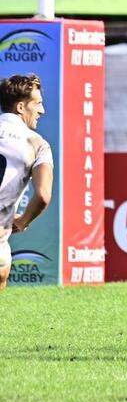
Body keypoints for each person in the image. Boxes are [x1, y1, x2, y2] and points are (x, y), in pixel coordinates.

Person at [0, 74, 53, 291]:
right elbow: (43, 195)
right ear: (21, 107)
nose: (42, 110)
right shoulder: (37, 144)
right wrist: (23, 221)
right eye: (38, 103)